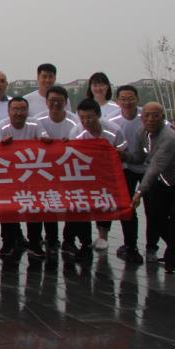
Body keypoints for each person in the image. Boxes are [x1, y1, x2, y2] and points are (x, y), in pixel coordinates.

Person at [126, 102, 175, 273]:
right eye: (147, 115)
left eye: (155, 115)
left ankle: (172, 259)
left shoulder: (169, 137)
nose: (151, 119)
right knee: (156, 217)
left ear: (163, 117)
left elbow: (155, 166)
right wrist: (122, 156)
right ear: (141, 117)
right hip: (167, 180)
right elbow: (139, 158)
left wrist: (139, 192)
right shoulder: (141, 133)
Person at [62, 99, 127, 262]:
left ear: (98, 115)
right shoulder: (76, 132)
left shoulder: (114, 130)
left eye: (89, 117)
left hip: (106, 175)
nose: (86, 121)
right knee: (81, 207)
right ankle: (80, 242)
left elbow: (124, 153)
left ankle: (104, 236)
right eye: (82, 117)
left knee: (103, 205)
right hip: (84, 176)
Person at [0, 97, 51, 259]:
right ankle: (9, 242)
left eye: (22, 109)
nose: (19, 113)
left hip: (31, 175)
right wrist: (1, 145)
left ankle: (34, 242)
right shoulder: (1, 127)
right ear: (9, 111)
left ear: (27, 111)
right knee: (8, 210)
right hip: (8, 177)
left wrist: (46, 141)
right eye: (15, 109)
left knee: (35, 208)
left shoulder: (35, 124)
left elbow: (45, 138)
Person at [33, 85, 79, 258]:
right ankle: (51, 239)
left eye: (59, 101)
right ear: (46, 102)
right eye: (52, 100)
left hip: (69, 169)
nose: (55, 104)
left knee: (72, 204)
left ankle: (69, 240)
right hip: (45, 170)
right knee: (48, 203)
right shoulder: (37, 120)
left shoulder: (75, 121)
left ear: (66, 102)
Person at [107, 85, 147, 263]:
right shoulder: (112, 120)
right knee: (128, 207)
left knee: (154, 209)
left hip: (149, 168)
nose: (127, 102)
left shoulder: (146, 116)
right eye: (123, 99)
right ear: (117, 101)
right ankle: (131, 245)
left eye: (131, 98)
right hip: (125, 168)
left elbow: (167, 127)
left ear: (137, 99)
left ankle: (152, 246)